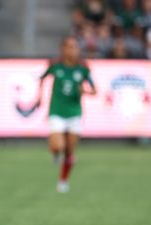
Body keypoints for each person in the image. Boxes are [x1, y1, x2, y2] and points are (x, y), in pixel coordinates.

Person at [36, 36, 96, 193]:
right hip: (57, 110)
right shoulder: (55, 65)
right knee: (58, 145)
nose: (72, 50)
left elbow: (95, 90)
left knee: (70, 151)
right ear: (62, 49)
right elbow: (41, 78)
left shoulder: (83, 68)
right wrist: (39, 97)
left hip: (75, 112)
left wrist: (86, 91)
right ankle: (55, 153)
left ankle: (63, 181)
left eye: (74, 47)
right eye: (68, 47)